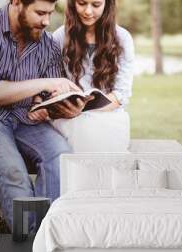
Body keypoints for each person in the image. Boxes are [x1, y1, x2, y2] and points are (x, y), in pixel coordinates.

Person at [0, 0, 88, 230]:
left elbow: (45, 96)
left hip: (25, 118)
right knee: (13, 173)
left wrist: (60, 108)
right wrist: (46, 82)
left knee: (60, 156)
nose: (46, 21)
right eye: (40, 13)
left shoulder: (48, 45)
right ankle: (29, 248)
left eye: (50, 13)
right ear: (16, 3)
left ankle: (51, 238)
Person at [51, 0, 135, 152]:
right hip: (69, 118)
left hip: (109, 115)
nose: (88, 11)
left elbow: (120, 94)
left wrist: (85, 109)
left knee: (94, 132)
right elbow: (53, 85)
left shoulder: (123, 38)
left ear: (107, 5)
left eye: (96, 5)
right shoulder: (59, 37)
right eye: (82, 3)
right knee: (82, 130)